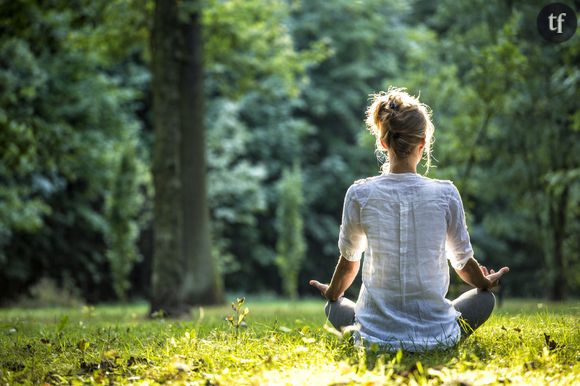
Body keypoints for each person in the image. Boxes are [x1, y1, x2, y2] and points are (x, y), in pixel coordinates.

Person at [309, 87, 509, 352]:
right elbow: (462, 262)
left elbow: (349, 263)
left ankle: (372, 330)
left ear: (383, 142)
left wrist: (332, 293)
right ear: (423, 143)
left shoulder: (359, 193)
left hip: (373, 339)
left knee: (333, 306)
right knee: (484, 300)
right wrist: (485, 282)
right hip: (436, 336)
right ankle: (438, 338)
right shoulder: (445, 193)